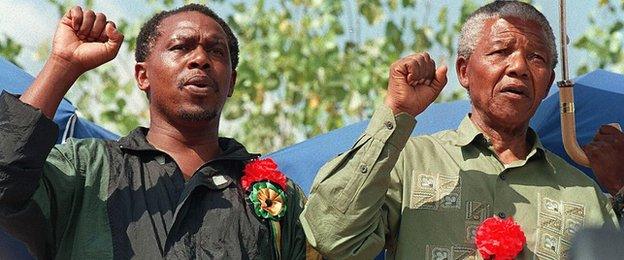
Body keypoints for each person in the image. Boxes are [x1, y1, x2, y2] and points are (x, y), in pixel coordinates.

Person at [300, 1, 621, 259]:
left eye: (536, 58)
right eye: (500, 52)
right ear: (464, 71)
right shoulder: (409, 162)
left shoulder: (584, 194)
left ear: (549, 82)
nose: (519, 67)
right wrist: (396, 113)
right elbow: (332, 237)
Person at [0, 4, 313, 259]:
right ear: (142, 75)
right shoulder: (86, 169)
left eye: (216, 52)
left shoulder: (277, 196)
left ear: (231, 82)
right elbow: (5, 181)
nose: (201, 59)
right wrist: (62, 64)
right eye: (181, 47)